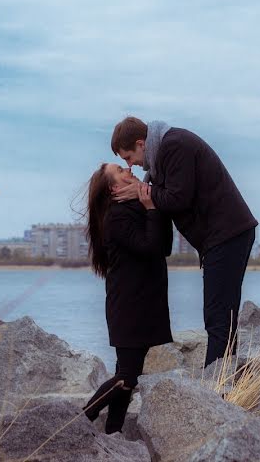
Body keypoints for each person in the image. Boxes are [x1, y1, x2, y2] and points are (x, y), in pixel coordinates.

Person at [110, 117, 257, 367]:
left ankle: (216, 391)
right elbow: (167, 198)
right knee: (221, 315)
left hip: (227, 235)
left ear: (141, 143)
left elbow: (178, 199)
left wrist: (141, 191)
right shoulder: (164, 155)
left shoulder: (174, 145)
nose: (130, 165)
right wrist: (145, 191)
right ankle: (226, 382)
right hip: (223, 237)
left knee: (218, 316)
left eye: (128, 157)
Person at [82, 162, 173, 433]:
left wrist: (152, 206)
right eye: (121, 171)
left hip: (142, 303)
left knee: (128, 376)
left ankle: (113, 433)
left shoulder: (132, 208)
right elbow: (149, 246)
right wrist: (151, 207)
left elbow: (164, 247)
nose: (129, 170)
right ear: (113, 187)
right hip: (130, 307)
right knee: (126, 377)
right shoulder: (117, 216)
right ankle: (80, 420)